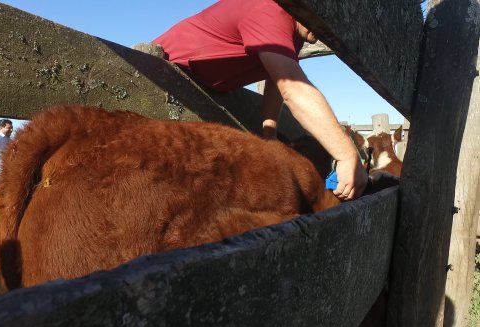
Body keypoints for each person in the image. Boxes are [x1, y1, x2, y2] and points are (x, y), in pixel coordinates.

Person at [153, 0, 368, 201]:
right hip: (159, 74)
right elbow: (292, 88)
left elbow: (276, 81)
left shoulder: (297, 33)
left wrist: (270, 134)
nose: (327, 29)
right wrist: (346, 154)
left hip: (209, 89)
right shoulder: (269, 8)